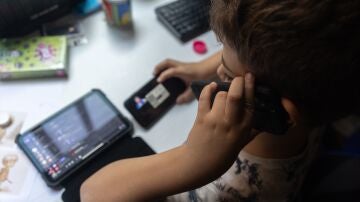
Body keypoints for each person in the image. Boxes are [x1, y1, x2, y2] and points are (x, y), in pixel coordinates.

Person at [80, 0, 360, 201]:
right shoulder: (320, 85)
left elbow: (93, 193)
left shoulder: (234, 190)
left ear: (272, 106)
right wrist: (200, 68)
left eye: (226, 69)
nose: (217, 71)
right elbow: (264, 54)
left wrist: (189, 160)